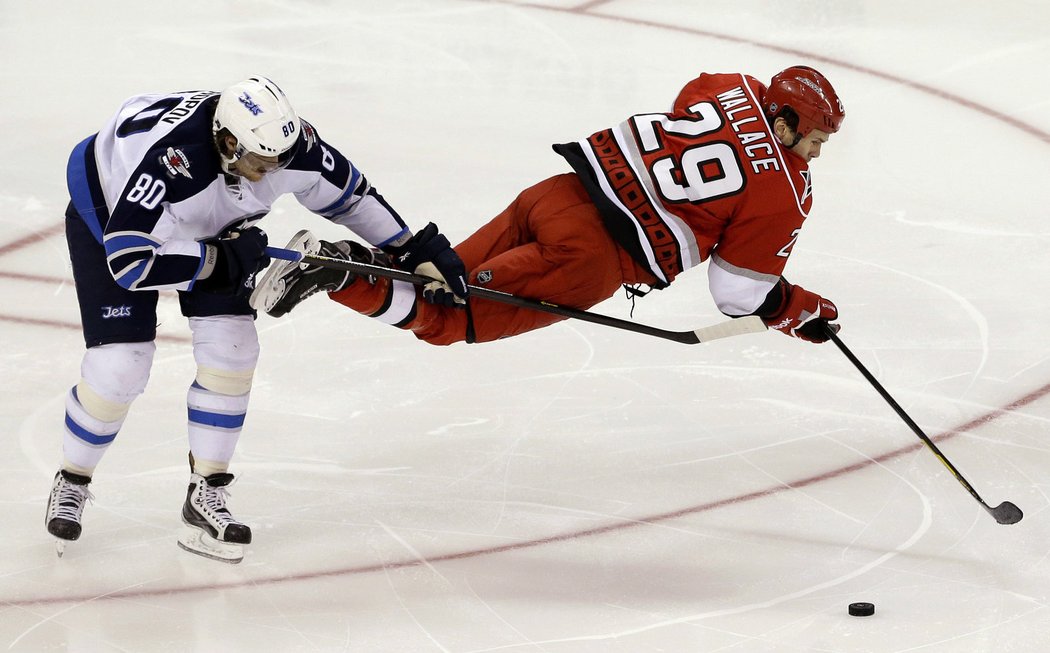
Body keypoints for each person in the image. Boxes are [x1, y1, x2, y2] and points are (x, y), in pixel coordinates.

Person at [48, 76, 467, 563]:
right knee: (121, 366)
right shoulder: (170, 159)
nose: (271, 172)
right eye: (259, 162)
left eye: (280, 161)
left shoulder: (292, 147)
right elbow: (132, 262)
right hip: (113, 214)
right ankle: (72, 478)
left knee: (233, 350)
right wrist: (217, 260)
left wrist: (413, 249)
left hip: (208, 218)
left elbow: (353, 198)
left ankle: (206, 491)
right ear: (227, 141)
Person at [254, 65, 843, 348]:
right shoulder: (786, 194)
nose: (815, 154)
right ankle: (332, 268)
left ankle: (332, 269)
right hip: (591, 257)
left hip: (555, 196)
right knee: (446, 318)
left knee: (432, 280)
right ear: (785, 120)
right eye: (814, 138)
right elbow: (736, 294)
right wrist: (792, 306)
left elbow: (696, 110)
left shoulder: (727, 86)